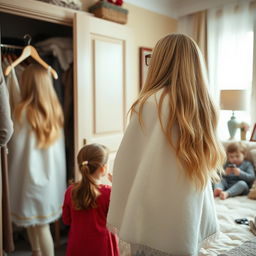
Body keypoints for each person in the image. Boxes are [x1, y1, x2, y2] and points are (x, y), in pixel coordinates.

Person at [107, 33, 226, 256]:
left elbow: (127, 160)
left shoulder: (151, 103)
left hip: (152, 211)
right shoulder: (202, 107)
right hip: (186, 211)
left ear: (161, 63)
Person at [8, 63, 66, 256]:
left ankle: (38, 252)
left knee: (37, 226)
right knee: (39, 225)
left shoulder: (21, 112)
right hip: (49, 180)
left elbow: (15, 148)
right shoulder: (54, 111)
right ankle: (37, 252)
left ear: (27, 84)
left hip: (28, 179)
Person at [62, 143, 119, 256]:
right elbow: (118, 221)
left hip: (77, 246)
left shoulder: (70, 191)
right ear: (103, 169)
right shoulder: (109, 193)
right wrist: (117, 187)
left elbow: (66, 220)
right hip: (102, 247)